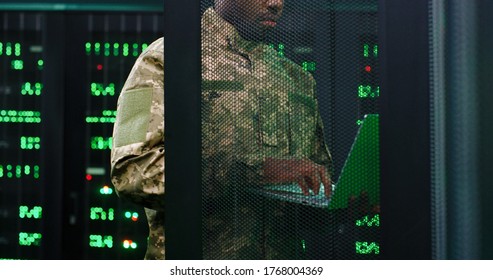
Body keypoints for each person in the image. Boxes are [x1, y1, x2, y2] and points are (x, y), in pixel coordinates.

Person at [111, 0, 332, 260]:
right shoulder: (164, 58)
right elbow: (131, 172)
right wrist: (256, 172)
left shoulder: (296, 79)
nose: (276, 4)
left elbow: (312, 187)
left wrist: (338, 206)